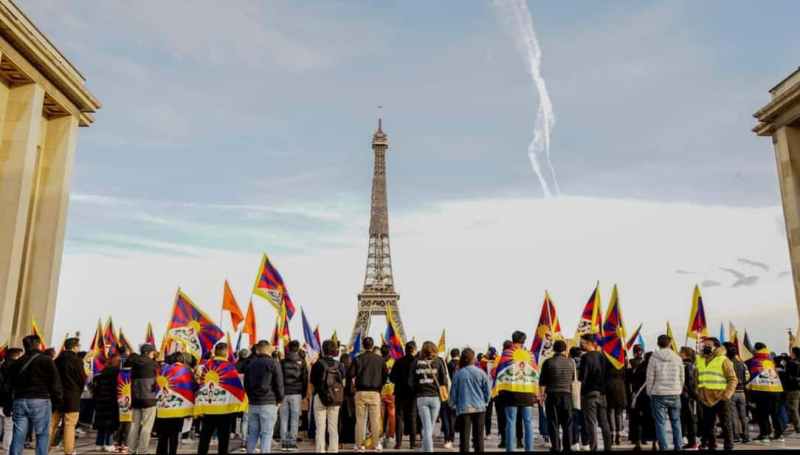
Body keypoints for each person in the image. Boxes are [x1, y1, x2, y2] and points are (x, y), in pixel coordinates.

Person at [8, 335, 63, 455]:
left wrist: (8, 405)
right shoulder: (46, 360)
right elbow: (55, 382)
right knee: (42, 434)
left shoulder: (17, 363)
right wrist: (58, 402)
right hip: (40, 400)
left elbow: (9, 385)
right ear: (38, 344)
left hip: (19, 400)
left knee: (18, 434)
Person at [196, 342, 247, 455]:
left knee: (205, 436)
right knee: (223, 438)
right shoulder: (229, 367)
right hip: (225, 408)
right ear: (226, 353)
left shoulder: (207, 366)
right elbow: (236, 386)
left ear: (215, 352)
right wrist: (243, 401)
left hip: (208, 406)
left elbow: (202, 384)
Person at [494, 331, 538, 453]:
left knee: (510, 421)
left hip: (511, 392)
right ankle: (529, 449)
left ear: (513, 340)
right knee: (528, 422)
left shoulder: (507, 353)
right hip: (527, 392)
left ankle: (510, 449)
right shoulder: (530, 355)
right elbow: (535, 373)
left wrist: (496, 389)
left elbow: (499, 372)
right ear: (524, 340)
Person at [695, 337, 737, 451]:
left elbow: (733, 379)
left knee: (725, 424)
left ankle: (729, 446)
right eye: (704, 345)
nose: (705, 347)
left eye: (708, 345)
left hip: (721, 397)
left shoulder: (724, 360)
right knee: (708, 424)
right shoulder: (700, 359)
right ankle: (711, 444)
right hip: (705, 398)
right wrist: (698, 392)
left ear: (716, 347)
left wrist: (727, 394)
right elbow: (697, 377)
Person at [242, 340, 284, 454]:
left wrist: (251, 397)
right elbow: (279, 384)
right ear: (268, 349)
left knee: (253, 433)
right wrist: (280, 399)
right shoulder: (274, 363)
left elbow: (246, 384)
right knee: (266, 434)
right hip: (269, 403)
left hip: (253, 403)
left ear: (258, 350)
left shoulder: (250, 364)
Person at [348, 337, 387, 452]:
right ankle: (376, 444)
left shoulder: (358, 359)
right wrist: (379, 386)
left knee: (360, 420)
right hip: (375, 392)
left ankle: (359, 445)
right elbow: (385, 376)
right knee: (375, 420)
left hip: (360, 392)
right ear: (372, 345)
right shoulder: (380, 360)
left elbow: (350, 374)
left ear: (363, 345)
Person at [645, 334, 684, 451]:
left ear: (658, 344)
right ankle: (679, 446)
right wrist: (679, 389)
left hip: (658, 393)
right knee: (676, 421)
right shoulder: (677, 358)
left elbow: (650, 377)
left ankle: (664, 447)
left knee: (660, 423)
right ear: (670, 344)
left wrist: (649, 392)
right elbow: (682, 376)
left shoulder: (653, 358)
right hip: (675, 392)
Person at [448, 348, 491, 453]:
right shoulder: (481, 373)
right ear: (474, 359)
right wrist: (485, 402)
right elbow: (488, 392)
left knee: (464, 438)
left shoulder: (458, 374)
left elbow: (453, 393)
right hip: (479, 408)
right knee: (479, 437)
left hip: (464, 409)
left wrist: (452, 405)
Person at [49, 337, 86, 455]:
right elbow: (82, 379)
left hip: (57, 396)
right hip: (72, 397)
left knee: (52, 424)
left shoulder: (56, 360)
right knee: (70, 425)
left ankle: (44, 448)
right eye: (78, 345)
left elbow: (52, 379)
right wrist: (78, 392)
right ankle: (69, 451)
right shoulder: (78, 361)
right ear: (75, 347)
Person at [410, 341, 448, 453]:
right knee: (429, 427)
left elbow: (410, 381)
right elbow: (444, 380)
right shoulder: (439, 361)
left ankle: (425, 449)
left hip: (421, 397)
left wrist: (417, 390)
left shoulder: (415, 362)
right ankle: (428, 449)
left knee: (427, 427)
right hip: (435, 398)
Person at [538, 340, 574, 452]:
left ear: (553, 349)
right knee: (567, 424)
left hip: (552, 396)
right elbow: (573, 380)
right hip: (567, 396)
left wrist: (542, 396)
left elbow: (542, 382)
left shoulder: (548, 362)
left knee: (553, 423)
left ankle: (556, 447)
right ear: (565, 349)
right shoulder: (570, 362)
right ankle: (567, 447)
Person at [578, 334, 612, 451]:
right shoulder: (603, 357)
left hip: (589, 393)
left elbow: (582, 377)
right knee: (604, 423)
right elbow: (608, 376)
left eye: (583, 342)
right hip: (602, 393)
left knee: (591, 423)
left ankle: (594, 448)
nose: (581, 345)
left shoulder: (585, 357)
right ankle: (608, 447)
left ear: (589, 343)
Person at [154, 353, 193, 455]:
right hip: (178, 409)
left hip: (163, 408)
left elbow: (156, 386)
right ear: (182, 360)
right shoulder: (186, 371)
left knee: (162, 436)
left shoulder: (163, 370)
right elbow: (194, 387)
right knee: (174, 436)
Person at [310, 340, 345, 453]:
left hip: (320, 397)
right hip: (335, 397)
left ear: (323, 350)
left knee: (320, 427)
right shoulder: (340, 365)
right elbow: (342, 382)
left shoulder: (317, 364)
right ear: (334, 350)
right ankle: (333, 449)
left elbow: (312, 383)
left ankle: (320, 450)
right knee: (333, 426)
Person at [747, 342, 785, 443]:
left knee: (762, 414)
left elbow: (754, 376)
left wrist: (750, 390)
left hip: (762, 390)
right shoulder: (770, 360)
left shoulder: (755, 360)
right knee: (775, 413)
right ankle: (779, 434)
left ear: (756, 349)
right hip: (776, 389)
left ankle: (765, 434)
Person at [125, 344, 158, 454]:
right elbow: (157, 381)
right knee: (147, 427)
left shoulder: (134, 363)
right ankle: (143, 451)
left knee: (134, 425)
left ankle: (131, 450)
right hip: (149, 399)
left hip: (136, 398)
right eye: (153, 353)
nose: (154, 355)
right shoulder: (153, 364)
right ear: (149, 352)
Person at [280, 340, 308, 452]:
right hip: (296, 393)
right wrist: (304, 393)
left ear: (288, 348)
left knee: (284, 418)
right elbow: (305, 379)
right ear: (297, 348)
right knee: (295, 419)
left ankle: (284, 443)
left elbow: (279, 378)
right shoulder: (302, 361)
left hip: (284, 393)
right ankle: (292, 443)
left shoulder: (282, 362)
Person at [390, 341, 417, 450]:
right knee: (412, 417)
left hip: (400, 392)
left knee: (399, 417)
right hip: (413, 393)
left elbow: (392, 378)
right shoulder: (417, 362)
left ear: (405, 350)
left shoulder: (398, 361)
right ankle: (412, 443)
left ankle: (399, 443)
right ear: (414, 350)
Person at [92, 353, 121, 452]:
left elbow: (94, 388)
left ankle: (99, 444)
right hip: (111, 401)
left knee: (101, 424)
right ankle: (109, 443)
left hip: (101, 401)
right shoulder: (117, 373)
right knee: (110, 424)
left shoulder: (102, 372)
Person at [723, 342, 750, 443]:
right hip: (742, 392)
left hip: (731, 391)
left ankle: (736, 436)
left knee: (733, 415)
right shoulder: (742, 363)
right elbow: (747, 376)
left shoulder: (727, 363)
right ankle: (746, 436)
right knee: (743, 415)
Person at [628, 351, 655, 451]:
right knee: (653, 421)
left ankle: (638, 443)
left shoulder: (639, 368)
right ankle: (654, 443)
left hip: (639, 398)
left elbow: (632, 381)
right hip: (652, 397)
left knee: (638, 421)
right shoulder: (655, 368)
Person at [0, 348, 23, 453]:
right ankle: (6, 451)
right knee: (9, 429)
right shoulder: (18, 369)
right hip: (9, 402)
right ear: (17, 356)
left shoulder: (1, 366)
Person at [678, 347, 699, 449]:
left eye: (680, 352)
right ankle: (691, 441)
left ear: (685, 354)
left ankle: (693, 441)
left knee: (690, 419)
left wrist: (693, 396)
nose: (678, 353)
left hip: (687, 397)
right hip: (686, 396)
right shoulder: (687, 365)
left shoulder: (688, 366)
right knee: (687, 419)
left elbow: (690, 383)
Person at [379, 345, 396, 448]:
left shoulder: (379, 361)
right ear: (389, 352)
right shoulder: (394, 362)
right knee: (392, 415)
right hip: (391, 391)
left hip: (380, 391)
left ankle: (380, 436)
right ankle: (391, 437)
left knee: (379, 416)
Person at [480, 347, 497, 437]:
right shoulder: (496, 363)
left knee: (483, 413)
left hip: (484, 391)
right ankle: (488, 432)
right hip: (494, 390)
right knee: (489, 414)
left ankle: (484, 432)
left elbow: (482, 360)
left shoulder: (483, 362)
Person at [786, 347, 800, 435]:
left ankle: (798, 427)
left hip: (792, 389)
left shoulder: (791, 363)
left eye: (791, 352)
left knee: (793, 409)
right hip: (797, 389)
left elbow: (788, 376)